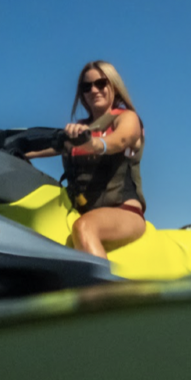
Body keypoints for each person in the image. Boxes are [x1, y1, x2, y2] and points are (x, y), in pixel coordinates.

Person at [30, 61, 146, 258]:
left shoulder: (126, 118)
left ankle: (105, 288)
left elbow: (121, 139)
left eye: (101, 83)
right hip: (81, 210)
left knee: (85, 227)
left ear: (114, 86)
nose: (94, 90)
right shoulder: (77, 130)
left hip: (124, 211)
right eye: (87, 86)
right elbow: (39, 149)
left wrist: (95, 143)